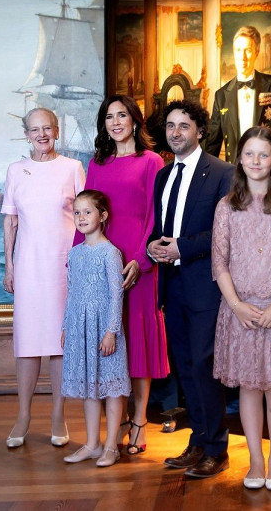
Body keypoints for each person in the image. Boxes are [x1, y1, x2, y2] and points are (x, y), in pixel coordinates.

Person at [212, 126, 271, 491]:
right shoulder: (227, 206)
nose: (256, 160)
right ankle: (254, 460)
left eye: (263, 154)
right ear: (239, 158)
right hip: (239, 310)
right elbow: (219, 262)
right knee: (248, 389)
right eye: (249, 153)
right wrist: (236, 306)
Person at [75, 94, 170, 456]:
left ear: (134, 120)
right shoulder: (97, 162)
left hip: (137, 263)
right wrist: (79, 260)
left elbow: (154, 216)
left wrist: (141, 260)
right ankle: (110, 428)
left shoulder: (152, 161)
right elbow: (87, 210)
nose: (115, 122)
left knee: (138, 337)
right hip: (101, 263)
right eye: (109, 117)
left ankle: (140, 418)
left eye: (122, 115)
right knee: (107, 343)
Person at [146, 100, 235, 478]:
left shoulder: (223, 173)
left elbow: (225, 234)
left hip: (206, 287)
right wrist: (153, 246)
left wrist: (182, 246)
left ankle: (217, 447)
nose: (176, 132)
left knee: (205, 366)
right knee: (184, 366)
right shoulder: (163, 176)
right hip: (172, 285)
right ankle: (197, 441)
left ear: (200, 131)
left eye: (184, 125)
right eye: (170, 125)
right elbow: (160, 227)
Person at [2, 107, 86, 448]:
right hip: (28, 265)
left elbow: (85, 217)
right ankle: (23, 415)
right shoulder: (16, 170)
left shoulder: (72, 168)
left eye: (47, 128)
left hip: (63, 266)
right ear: (26, 135)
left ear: (57, 130)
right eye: (35, 129)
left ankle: (58, 413)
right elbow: (10, 221)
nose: (42, 134)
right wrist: (9, 266)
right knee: (27, 342)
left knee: (59, 343)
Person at [61, 190, 131, 467]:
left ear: (102, 216)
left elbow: (117, 294)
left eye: (87, 212)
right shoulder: (75, 253)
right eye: (77, 212)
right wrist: (66, 326)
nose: (81, 217)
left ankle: (111, 446)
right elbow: (71, 291)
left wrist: (112, 331)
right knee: (89, 387)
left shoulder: (110, 253)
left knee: (111, 387)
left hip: (104, 329)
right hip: (80, 328)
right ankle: (92, 444)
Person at [204, 25, 271, 166]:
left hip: (267, 173)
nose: (243, 56)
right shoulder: (221, 95)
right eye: (238, 50)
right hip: (234, 174)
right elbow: (212, 145)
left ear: (256, 52)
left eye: (248, 50)